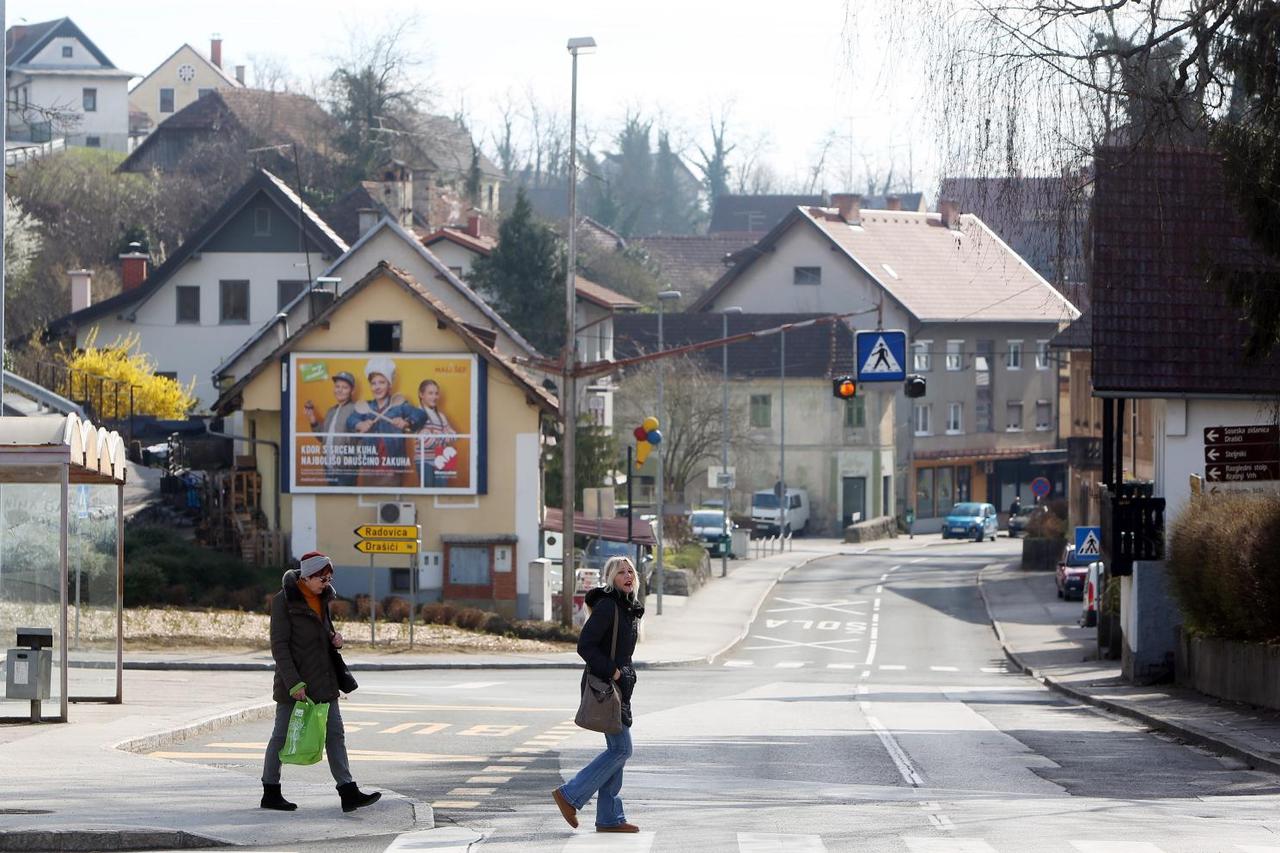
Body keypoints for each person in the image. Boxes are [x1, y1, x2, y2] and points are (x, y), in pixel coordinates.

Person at [260, 551, 381, 813]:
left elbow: (320, 633)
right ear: (307, 576)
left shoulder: (322, 598)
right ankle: (270, 791)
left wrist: (335, 638)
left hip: (325, 680)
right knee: (281, 737)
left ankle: (348, 792)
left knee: (335, 735)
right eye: (322, 578)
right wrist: (294, 683)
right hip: (295, 685)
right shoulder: (283, 601)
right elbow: (279, 646)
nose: (327, 583)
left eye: (329, 578)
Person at [552, 557, 644, 834]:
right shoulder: (608, 607)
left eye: (631, 572)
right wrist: (614, 672)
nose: (627, 576)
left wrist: (623, 676)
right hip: (607, 687)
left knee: (618, 752)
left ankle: (609, 818)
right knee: (621, 749)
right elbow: (585, 645)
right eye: (621, 573)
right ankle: (570, 794)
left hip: (621, 688)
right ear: (610, 578)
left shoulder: (628, 607)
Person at [346, 357, 424, 488]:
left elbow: (420, 414)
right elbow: (350, 420)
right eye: (373, 383)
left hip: (392, 469)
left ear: (389, 385)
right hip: (369, 469)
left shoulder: (399, 406)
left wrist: (406, 422)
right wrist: (359, 425)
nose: (377, 387)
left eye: (381, 382)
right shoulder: (367, 407)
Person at [303, 372, 359, 487]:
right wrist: (312, 418)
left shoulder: (356, 410)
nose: (340, 390)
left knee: (343, 503)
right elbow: (321, 437)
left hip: (345, 471)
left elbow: (361, 440)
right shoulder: (331, 411)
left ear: (352, 391)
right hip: (329, 468)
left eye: (344, 387)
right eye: (337, 386)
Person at [414, 379, 458, 487]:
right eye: (430, 393)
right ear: (421, 394)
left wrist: (434, 436)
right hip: (424, 461)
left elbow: (454, 436)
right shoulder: (416, 414)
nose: (434, 397)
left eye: (436, 393)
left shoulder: (441, 416)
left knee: (442, 490)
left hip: (441, 459)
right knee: (428, 491)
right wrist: (443, 438)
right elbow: (426, 442)